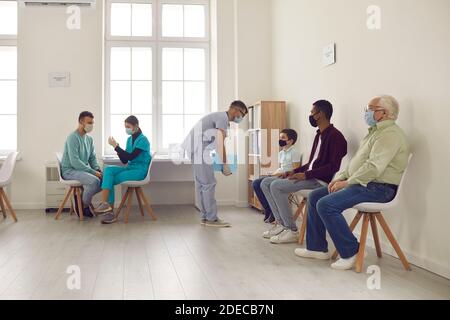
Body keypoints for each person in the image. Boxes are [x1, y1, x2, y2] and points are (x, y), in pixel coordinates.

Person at [295, 95, 410, 271]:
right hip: (364, 184)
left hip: (379, 188)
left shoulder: (390, 135)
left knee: (326, 204)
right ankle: (317, 248)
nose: (366, 112)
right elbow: (357, 162)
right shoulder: (375, 133)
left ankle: (351, 252)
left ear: (384, 113)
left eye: (371, 109)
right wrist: (340, 178)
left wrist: (348, 182)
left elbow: (373, 167)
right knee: (316, 195)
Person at [261, 100, 347, 244]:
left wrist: (306, 175)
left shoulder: (335, 136)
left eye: (312, 112)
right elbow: (311, 164)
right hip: (310, 177)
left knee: (276, 185)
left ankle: (291, 230)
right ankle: (281, 225)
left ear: (321, 114)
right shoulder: (319, 135)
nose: (311, 115)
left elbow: (333, 167)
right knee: (265, 182)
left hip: (319, 181)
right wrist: (292, 172)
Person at [181, 100, 248, 228]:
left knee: (202, 185)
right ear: (234, 110)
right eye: (242, 114)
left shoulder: (220, 118)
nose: (241, 118)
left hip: (198, 150)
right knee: (208, 183)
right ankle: (211, 219)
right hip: (200, 150)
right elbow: (220, 143)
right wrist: (225, 164)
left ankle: (206, 217)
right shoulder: (222, 118)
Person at [95, 116, 152, 224]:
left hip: (139, 172)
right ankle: (105, 205)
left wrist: (116, 146)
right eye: (125, 127)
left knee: (109, 178)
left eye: (128, 126)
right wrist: (117, 148)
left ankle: (109, 211)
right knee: (108, 170)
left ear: (136, 126)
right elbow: (125, 160)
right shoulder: (129, 139)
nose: (126, 129)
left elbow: (131, 156)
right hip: (129, 168)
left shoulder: (143, 140)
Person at [252, 129, 301, 223]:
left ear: (290, 141)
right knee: (255, 183)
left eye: (283, 138)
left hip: (286, 177)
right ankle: (269, 209)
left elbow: (295, 170)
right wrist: (273, 173)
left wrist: (281, 174)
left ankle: (272, 212)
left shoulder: (294, 152)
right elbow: (281, 168)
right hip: (279, 175)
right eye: (280, 137)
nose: (280, 140)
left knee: (262, 183)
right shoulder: (281, 153)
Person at [61, 111, 102, 218]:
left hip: (81, 170)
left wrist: (97, 169)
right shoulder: (72, 138)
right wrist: (93, 173)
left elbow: (92, 157)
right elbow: (75, 162)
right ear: (81, 122)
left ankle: (80, 199)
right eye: (89, 123)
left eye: (92, 123)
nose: (91, 125)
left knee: (105, 180)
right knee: (94, 181)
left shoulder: (89, 139)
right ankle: (83, 206)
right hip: (70, 171)